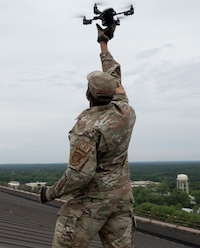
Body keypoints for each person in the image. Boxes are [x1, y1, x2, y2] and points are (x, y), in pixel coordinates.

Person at [39, 23, 136, 248]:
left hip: (92, 204)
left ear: (87, 94)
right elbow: (114, 77)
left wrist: (50, 193)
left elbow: (79, 176)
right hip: (121, 201)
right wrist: (104, 44)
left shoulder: (87, 128)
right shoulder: (125, 111)